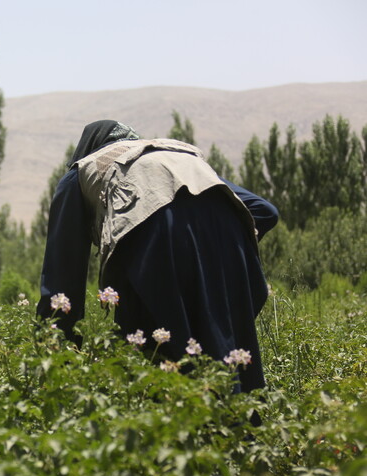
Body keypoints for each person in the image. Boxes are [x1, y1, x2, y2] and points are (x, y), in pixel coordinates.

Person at [37, 120, 278, 395]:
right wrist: (213, 250)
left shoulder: (81, 172)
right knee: (227, 348)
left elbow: (62, 274)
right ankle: (241, 429)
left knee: (163, 360)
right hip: (228, 237)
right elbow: (264, 210)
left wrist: (56, 348)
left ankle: (183, 432)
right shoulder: (172, 154)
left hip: (156, 242)